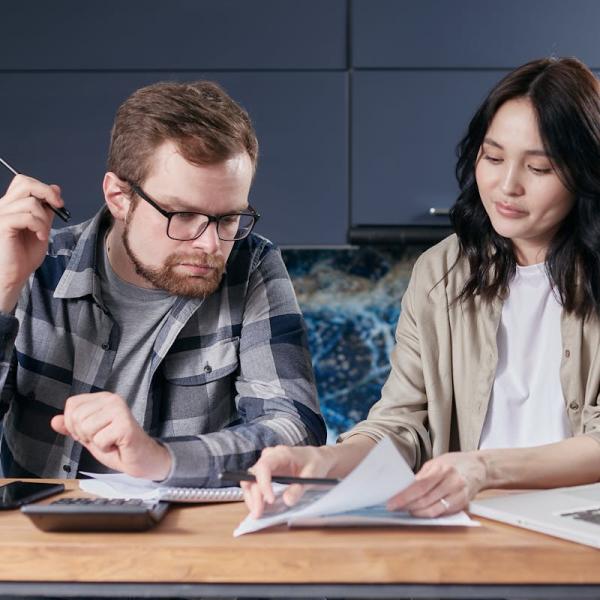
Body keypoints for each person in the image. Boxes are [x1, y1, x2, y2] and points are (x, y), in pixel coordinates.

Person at [243, 56, 600, 517]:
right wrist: (326, 460)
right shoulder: (441, 273)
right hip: (476, 530)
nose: (506, 185)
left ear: (585, 174)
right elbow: (403, 423)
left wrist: (484, 468)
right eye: (492, 157)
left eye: (540, 168)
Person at [0, 81, 326, 485]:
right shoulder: (33, 265)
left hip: (190, 542)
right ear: (119, 197)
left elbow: (294, 428)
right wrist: (3, 287)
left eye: (228, 219)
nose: (211, 244)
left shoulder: (252, 265)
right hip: (42, 542)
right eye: (183, 215)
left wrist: (160, 460)